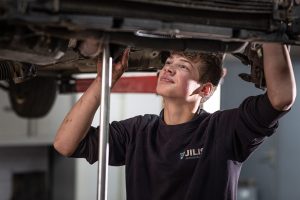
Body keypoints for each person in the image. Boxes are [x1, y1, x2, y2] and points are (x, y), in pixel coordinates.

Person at [54, 43, 296, 200]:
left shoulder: (222, 129)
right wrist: (105, 79)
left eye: (182, 67)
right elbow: (66, 144)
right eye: (168, 63)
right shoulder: (138, 131)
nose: (167, 69)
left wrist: (270, 36)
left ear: (204, 89)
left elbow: (282, 97)